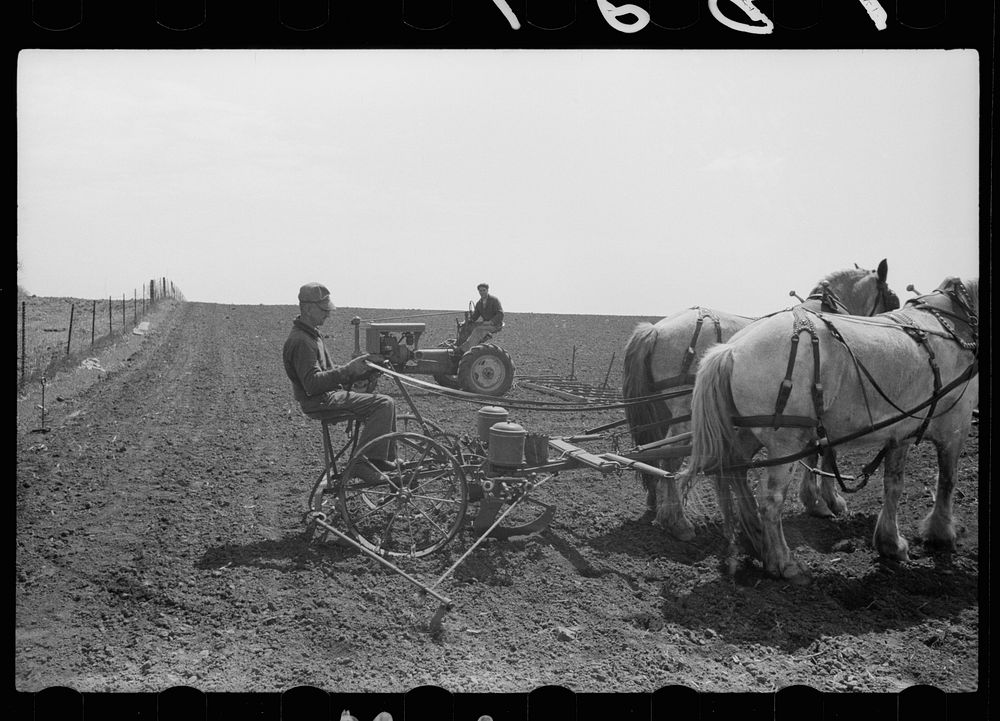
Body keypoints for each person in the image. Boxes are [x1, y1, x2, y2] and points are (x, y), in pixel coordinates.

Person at [283, 282, 396, 483]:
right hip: (319, 401)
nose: (328, 314)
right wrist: (348, 370)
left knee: (388, 404)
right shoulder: (302, 341)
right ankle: (364, 463)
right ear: (308, 308)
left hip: (327, 395)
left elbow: (330, 374)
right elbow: (312, 384)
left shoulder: (311, 335)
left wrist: (362, 371)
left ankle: (381, 459)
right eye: (324, 310)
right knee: (384, 403)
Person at [458, 282, 504, 352]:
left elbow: (500, 314)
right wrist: (465, 322)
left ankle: (466, 349)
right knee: (466, 328)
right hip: (485, 324)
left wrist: (491, 322)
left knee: (478, 330)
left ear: (487, 290)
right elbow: (475, 316)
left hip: (495, 325)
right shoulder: (479, 303)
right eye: (480, 291)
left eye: (484, 290)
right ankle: (459, 344)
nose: (482, 292)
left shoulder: (494, 300)